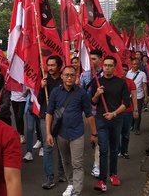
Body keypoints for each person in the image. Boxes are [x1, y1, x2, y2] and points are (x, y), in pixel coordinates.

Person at [45, 66, 97, 196]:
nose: (69, 77)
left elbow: (89, 114)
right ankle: (71, 183)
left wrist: (94, 133)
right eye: (66, 75)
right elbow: (49, 113)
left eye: (72, 75)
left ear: (76, 77)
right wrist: (48, 133)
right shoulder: (55, 92)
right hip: (61, 133)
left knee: (77, 163)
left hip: (77, 133)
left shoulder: (82, 93)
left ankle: (77, 191)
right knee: (66, 161)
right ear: (62, 76)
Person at [90, 56, 130, 191]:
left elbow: (126, 103)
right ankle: (102, 180)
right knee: (103, 149)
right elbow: (93, 102)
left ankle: (113, 174)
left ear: (114, 67)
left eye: (110, 65)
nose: (107, 68)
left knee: (114, 149)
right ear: (102, 66)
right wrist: (97, 93)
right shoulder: (97, 81)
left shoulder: (121, 83)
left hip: (116, 119)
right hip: (101, 120)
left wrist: (114, 113)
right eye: (105, 65)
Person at [37, 55, 66, 189]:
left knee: (61, 146)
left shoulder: (64, 80)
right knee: (48, 146)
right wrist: (42, 87)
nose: (50, 68)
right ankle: (49, 177)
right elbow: (39, 100)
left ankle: (62, 173)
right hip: (45, 117)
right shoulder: (44, 81)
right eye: (48, 65)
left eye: (53, 65)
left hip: (61, 117)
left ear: (59, 66)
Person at [80, 49, 102, 178]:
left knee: (98, 137)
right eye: (90, 59)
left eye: (94, 59)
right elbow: (81, 95)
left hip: (101, 112)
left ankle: (97, 164)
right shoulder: (84, 76)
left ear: (100, 60)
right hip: (87, 113)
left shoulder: (105, 75)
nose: (92, 61)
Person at [119, 64, 138, 159]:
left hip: (128, 111)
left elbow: (134, 97)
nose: (123, 71)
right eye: (121, 69)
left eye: (125, 70)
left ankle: (124, 151)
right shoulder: (113, 82)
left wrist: (135, 110)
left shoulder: (130, 83)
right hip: (116, 112)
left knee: (125, 133)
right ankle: (117, 150)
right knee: (116, 133)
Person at [127, 58, 148, 135]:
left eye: (137, 64)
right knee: (130, 112)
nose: (135, 65)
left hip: (139, 96)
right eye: (134, 64)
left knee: (137, 112)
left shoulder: (142, 74)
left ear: (139, 65)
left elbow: (144, 86)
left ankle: (137, 128)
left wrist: (146, 96)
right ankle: (131, 125)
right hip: (129, 96)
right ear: (131, 64)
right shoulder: (128, 73)